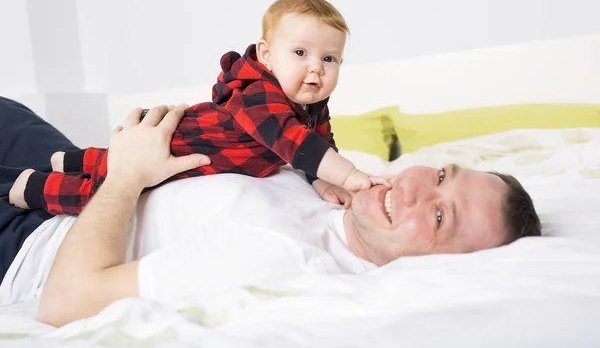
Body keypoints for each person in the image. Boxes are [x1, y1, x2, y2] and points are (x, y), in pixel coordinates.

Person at [0, 98, 541, 327]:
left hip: (31, 238)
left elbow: (66, 302)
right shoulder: (345, 187)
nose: (420, 189)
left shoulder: (278, 262)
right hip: (68, 176)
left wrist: (126, 175)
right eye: (443, 175)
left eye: (442, 218)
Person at [9, 0, 389, 217]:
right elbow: (295, 143)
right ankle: (33, 187)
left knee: (108, 162)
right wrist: (351, 176)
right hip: (185, 146)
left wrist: (322, 179)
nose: (315, 69)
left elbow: (318, 143)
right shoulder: (258, 94)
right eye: (301, 52)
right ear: (267, 56)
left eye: (329, 59)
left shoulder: (311, 100)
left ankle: (67, 159)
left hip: (196, 145)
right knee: (112, 189)